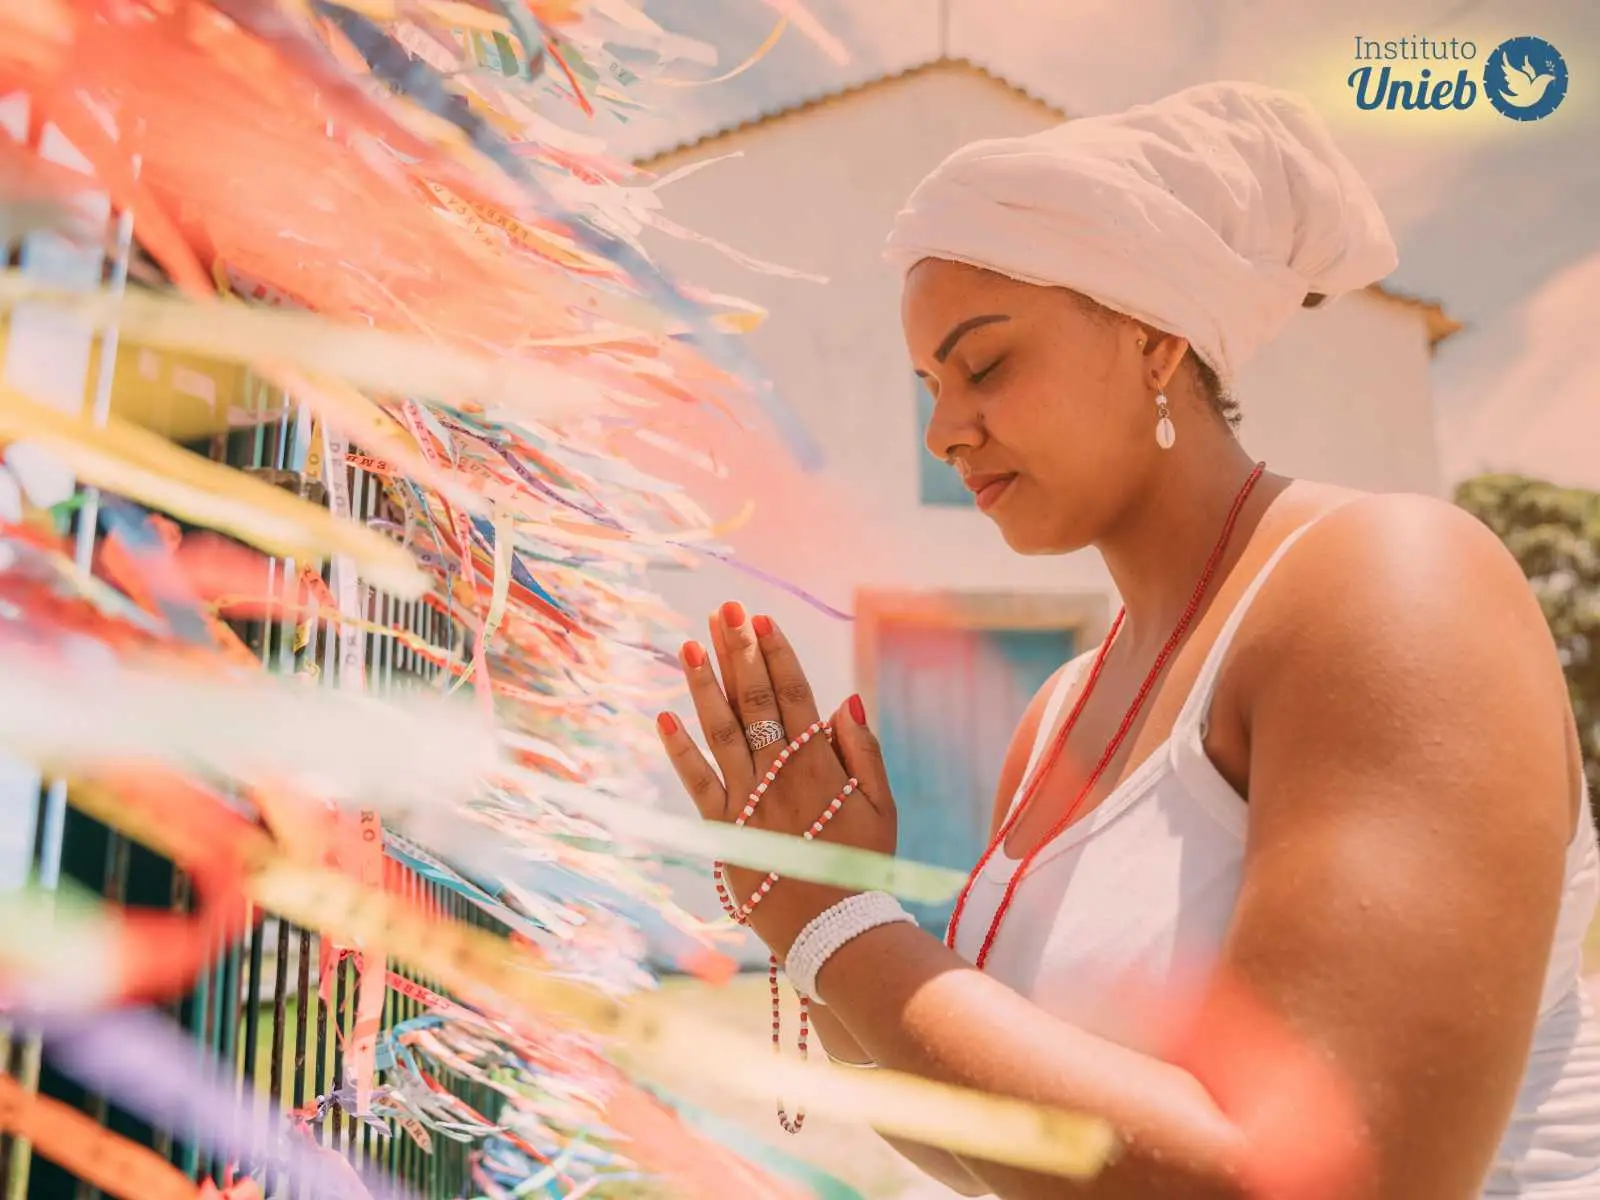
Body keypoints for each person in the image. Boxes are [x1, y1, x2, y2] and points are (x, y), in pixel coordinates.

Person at [653, 80, 1600, 1199]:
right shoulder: (1056, 713)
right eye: (927, 385)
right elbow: (975, 1132)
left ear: (1155, 344)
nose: (945, 429)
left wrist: (836, 924)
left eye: (985, 365)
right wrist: (816, 911)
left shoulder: (1390, 583)